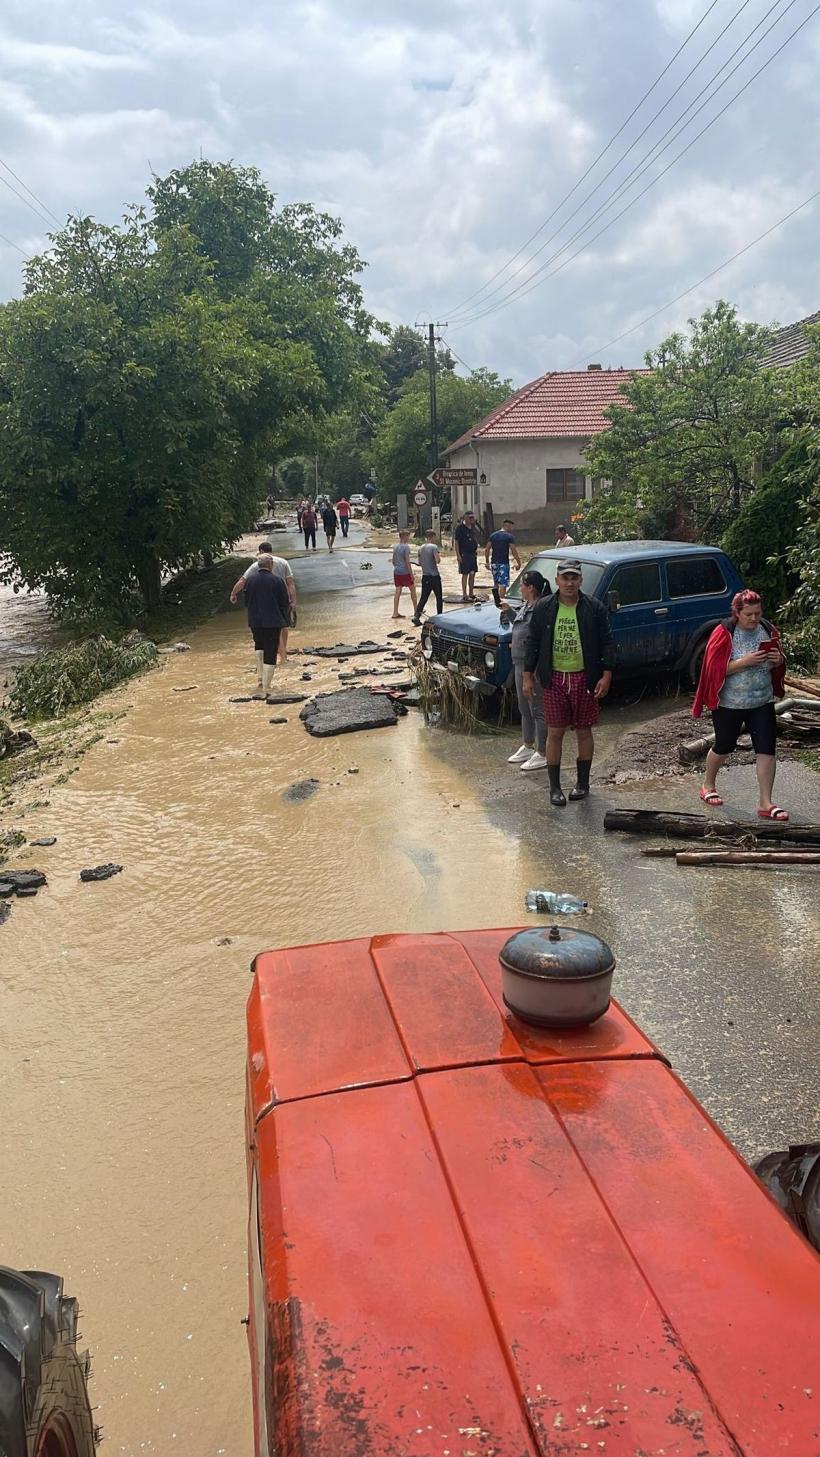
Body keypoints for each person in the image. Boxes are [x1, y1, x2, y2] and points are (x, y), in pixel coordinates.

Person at [522, 558, 615, 806]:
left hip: (585, 677)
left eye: (574, 578)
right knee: (555, 732)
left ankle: (582, 784)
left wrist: (606, 675)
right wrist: (527, 676)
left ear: (580, 581)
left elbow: (607, 642)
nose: (570, 583)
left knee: (584, 731)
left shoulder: (594, 608)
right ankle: (555, 788)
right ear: (557, 581)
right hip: (553, 678)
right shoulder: (543, 607)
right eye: (565, 578)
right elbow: (531, 642)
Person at [692, 588, 787, 820]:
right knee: (724, 745)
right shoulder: (724, 632)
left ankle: (766, 802)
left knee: (766, 749)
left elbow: (780, 658)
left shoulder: (767, 629)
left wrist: (778, 660)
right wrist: (744, 662)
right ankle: (708, 785)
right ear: (737, 612)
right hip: (730, 703)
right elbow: (712, 670)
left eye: (757, 613)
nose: (754, 618)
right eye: (749, 615)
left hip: (762, 700)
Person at [229, 543, 297, 670]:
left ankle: (280, 657)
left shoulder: (256, 565)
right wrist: (293, 601)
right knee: (283, 626)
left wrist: (233, 593)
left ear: (260, 551)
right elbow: (290, 583)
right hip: (282, 599)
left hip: (265, 603)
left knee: (274, 629)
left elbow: (243, 581)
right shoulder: (283, 562)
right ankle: (283, 655)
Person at [508, 570, 548, 772]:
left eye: (522, 585)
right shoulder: (526, 606)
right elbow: (521, 627)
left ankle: (542, 753)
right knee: (524, 707)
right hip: (519, 662)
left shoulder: (540, 609)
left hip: (532, 666)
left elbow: (537, 639)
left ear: (531, 587)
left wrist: (533, 670)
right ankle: (528, 744)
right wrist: (508, 612)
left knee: (538, 708)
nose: (520, 588)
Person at [241, 555, 290, 702]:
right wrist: (284, 617)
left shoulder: (250, 580)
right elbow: (284, 602)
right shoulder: (277, 580)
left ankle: (260, 678)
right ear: (270, 565)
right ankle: (267, 687)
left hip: (255, 621)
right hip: (273, 621)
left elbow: (246, 602)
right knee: (270, 650)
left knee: (259, 645)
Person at [485, 517, 521, 606]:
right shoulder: (509, 537)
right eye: (511, 527)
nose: (511, 529)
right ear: (507, 526)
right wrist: (519, 562)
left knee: (496, 583)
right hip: (504, 564)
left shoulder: (493, 535)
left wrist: (487, 562)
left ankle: (496, 601)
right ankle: (501, 603)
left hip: (494, 563)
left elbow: (486, 549)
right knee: (503, 584)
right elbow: (513, 551)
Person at [412, 531, 442, 625]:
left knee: (423, 598)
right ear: (432, 537)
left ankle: (416, 616)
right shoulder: (434, 547)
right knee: (439, 597)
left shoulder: (420, 548)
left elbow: (420, 563)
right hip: (434, 576)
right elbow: (437, 561)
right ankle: (440, 617)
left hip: (425, 576)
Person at [392, 530, 418, 619]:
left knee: (398, 591)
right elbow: (407, 562)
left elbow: (393, 561)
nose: (408, 538)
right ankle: (416, 610)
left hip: (396, 571)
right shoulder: (406, 547)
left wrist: (397, 566)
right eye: (408, 536)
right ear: (404, 536)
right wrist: (411, 574)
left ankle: (395, 612)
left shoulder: (395, 547)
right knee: (413, 590)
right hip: (405, 572)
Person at [454, 511, 479, 602]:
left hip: (473, 554)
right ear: (465, 518)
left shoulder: (473, 527)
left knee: (472, 574)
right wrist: (458, 555)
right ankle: (464, 594)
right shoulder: (460, 528)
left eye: (473, 517)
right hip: (464, 554)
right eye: (470, 518)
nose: (472, 519)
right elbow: (456, 542)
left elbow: (474, 538)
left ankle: (471, 593)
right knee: (465, 574)